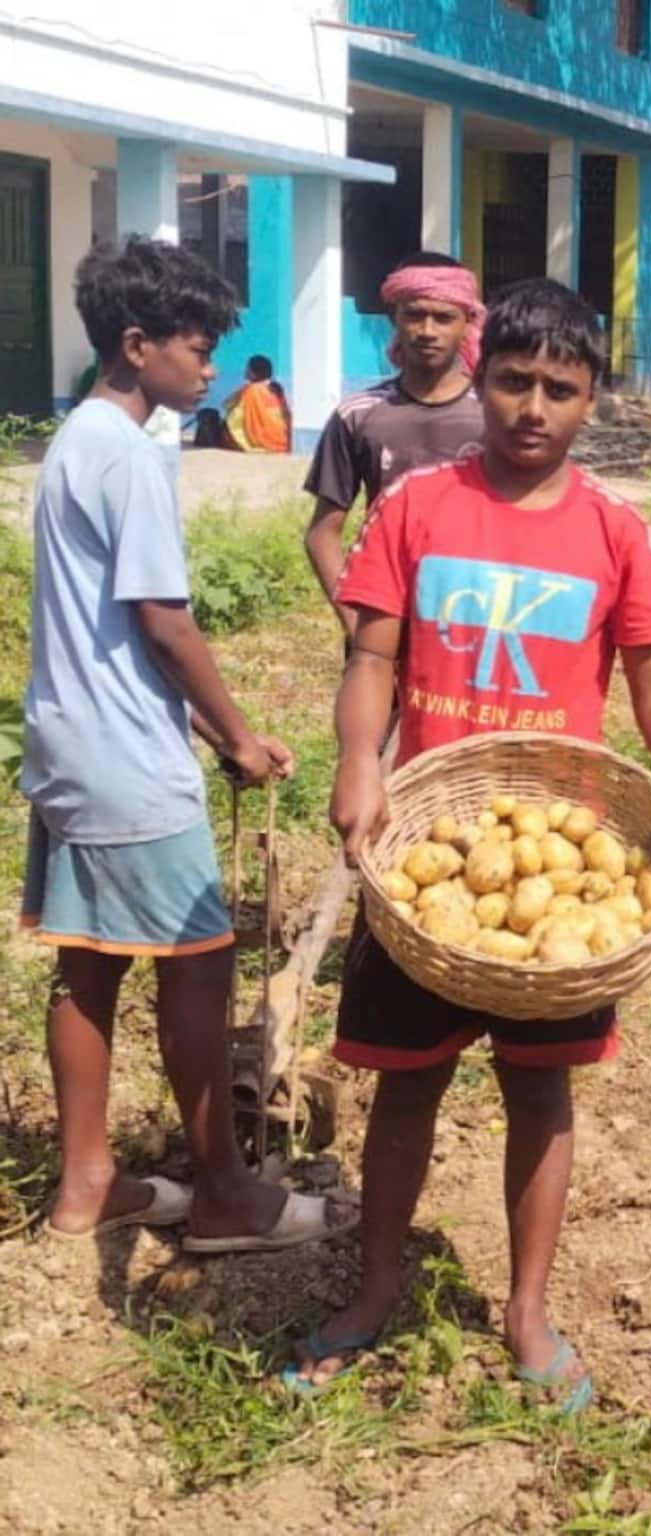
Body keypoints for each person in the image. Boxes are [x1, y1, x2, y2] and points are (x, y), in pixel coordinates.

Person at [297, 280, 651, 1401]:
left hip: (565, 856)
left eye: (560, 389)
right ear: (480, 379)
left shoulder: (614, 530)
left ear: (592, 399)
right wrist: (358, 760)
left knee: (541, 1093)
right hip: (428, 846)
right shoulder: (417, 508)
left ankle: (527, 1311)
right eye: (514, 382)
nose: (533, 409)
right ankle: (377, 1290)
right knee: (407, 1088)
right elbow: (372, 657)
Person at [21, 238, 350, 1251]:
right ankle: (224, 1196)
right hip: (127, 762)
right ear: (138, 345)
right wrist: (240, 736)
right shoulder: (131, 456)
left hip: (72, 745)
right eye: (199, 349)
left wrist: (215, 730)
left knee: (88, 967)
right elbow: (163, 623)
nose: (211, 369)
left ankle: (88, 1183)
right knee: (198, 969)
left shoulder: (75, 439)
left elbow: (116, 633)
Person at [303, 251, 486, 639]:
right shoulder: (357, 415)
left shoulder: (494, 415)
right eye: (414, 315)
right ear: (394, 318)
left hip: (475, 617)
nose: (427, 330)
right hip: (383, 615)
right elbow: (322, 533)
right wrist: (357, 625)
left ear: (468, 323)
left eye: (444, 317)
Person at [223, 355, 291, 454]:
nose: (245, 370)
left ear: (254, 372)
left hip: (264, 440)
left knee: (226, 421)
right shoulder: (277, 388)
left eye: (248, 368)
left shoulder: (251, 390)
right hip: (283, 441)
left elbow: (228, 406)